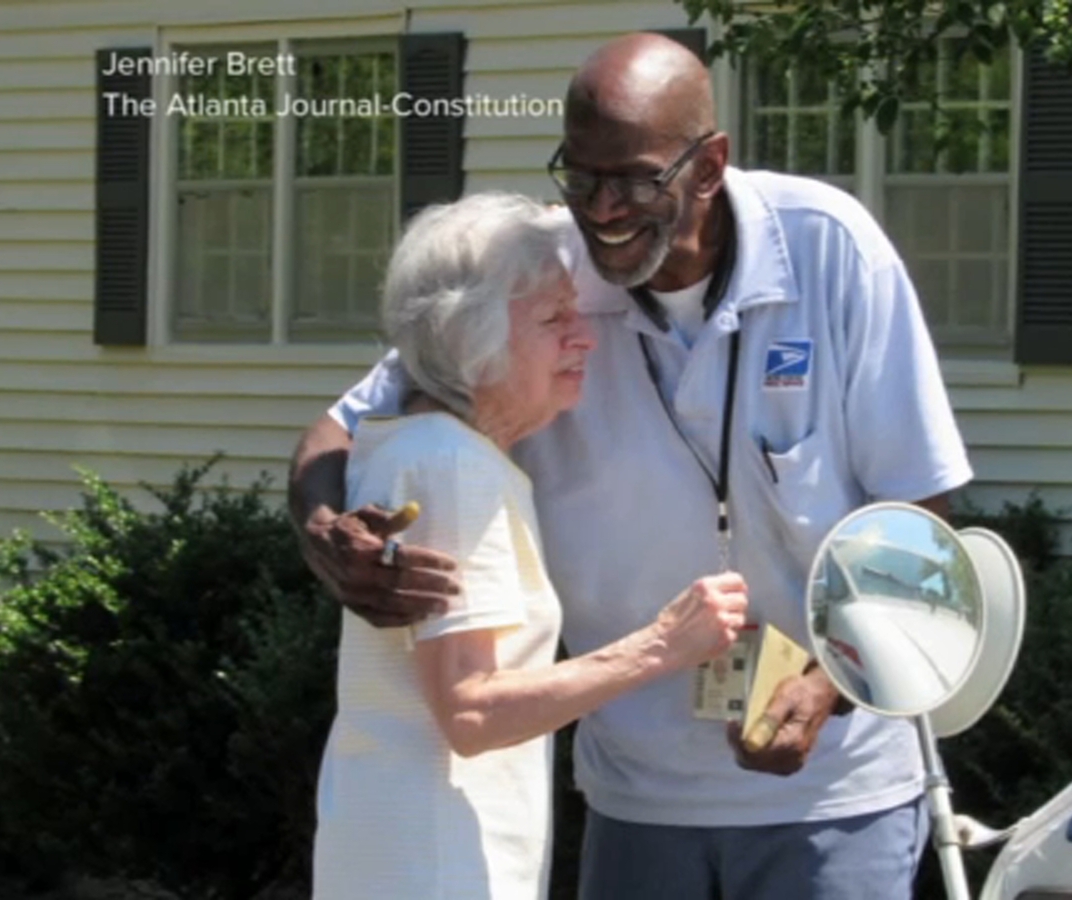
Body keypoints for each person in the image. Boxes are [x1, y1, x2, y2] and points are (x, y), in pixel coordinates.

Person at [289, 32, 974, 900]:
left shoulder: (829, 249)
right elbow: (346, 429)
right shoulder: (542, 274)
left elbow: (920, 514)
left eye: (636, 179)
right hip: (635, 797)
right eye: (580, 177)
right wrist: (322, 528)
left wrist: (833, 682)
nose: (603, 208)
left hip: (836, 796)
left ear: (709, 163)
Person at [309, 190, 751, 900]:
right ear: (467, 338)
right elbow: (474, 711)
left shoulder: (428, 451)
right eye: (553, 319)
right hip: (436, 864)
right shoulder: (449, 466)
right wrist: (663, 644)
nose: (585, 338)